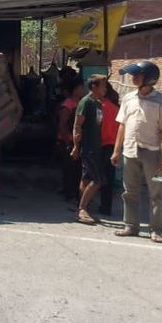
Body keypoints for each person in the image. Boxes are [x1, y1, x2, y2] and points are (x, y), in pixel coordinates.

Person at [112, 61, 162, 243]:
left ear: (149, 78)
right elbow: (122, 126)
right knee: (129, 191)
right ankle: (130, 226)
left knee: (155, 193)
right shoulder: (128, 98)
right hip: (130, 151)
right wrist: (117, 150)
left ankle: (155, 229)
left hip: (152, 153)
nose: (133, 78)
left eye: (137, 75)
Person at [71, 75, 107, 224]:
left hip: (97, 146)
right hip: (88, 147)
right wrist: (75, 146)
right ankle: (82, 208)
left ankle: (83, 209)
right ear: (94, 87)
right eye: (103, 86)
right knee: (98, 180)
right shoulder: (85, 102)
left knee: (86, 179)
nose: (105, 89)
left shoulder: (98, 104)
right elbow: (77, 125)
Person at [57, 78, 85, 201]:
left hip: (77, 140)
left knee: (78, 168)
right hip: (67, 140)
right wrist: (68, 142)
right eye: (80, 88)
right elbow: (62, 125)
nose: (83, 90)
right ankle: (69, 193)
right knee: (69, 168)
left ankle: (76, 192)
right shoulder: (68, 105)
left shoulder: (82, 103)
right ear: (74, 90)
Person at [99, 85, 120, 215]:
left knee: (95, 178)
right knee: (109, 179)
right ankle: (106, 207)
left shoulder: (100, 108)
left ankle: (84, 204)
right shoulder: (117, 109)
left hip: (100, 146)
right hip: (113, 147)